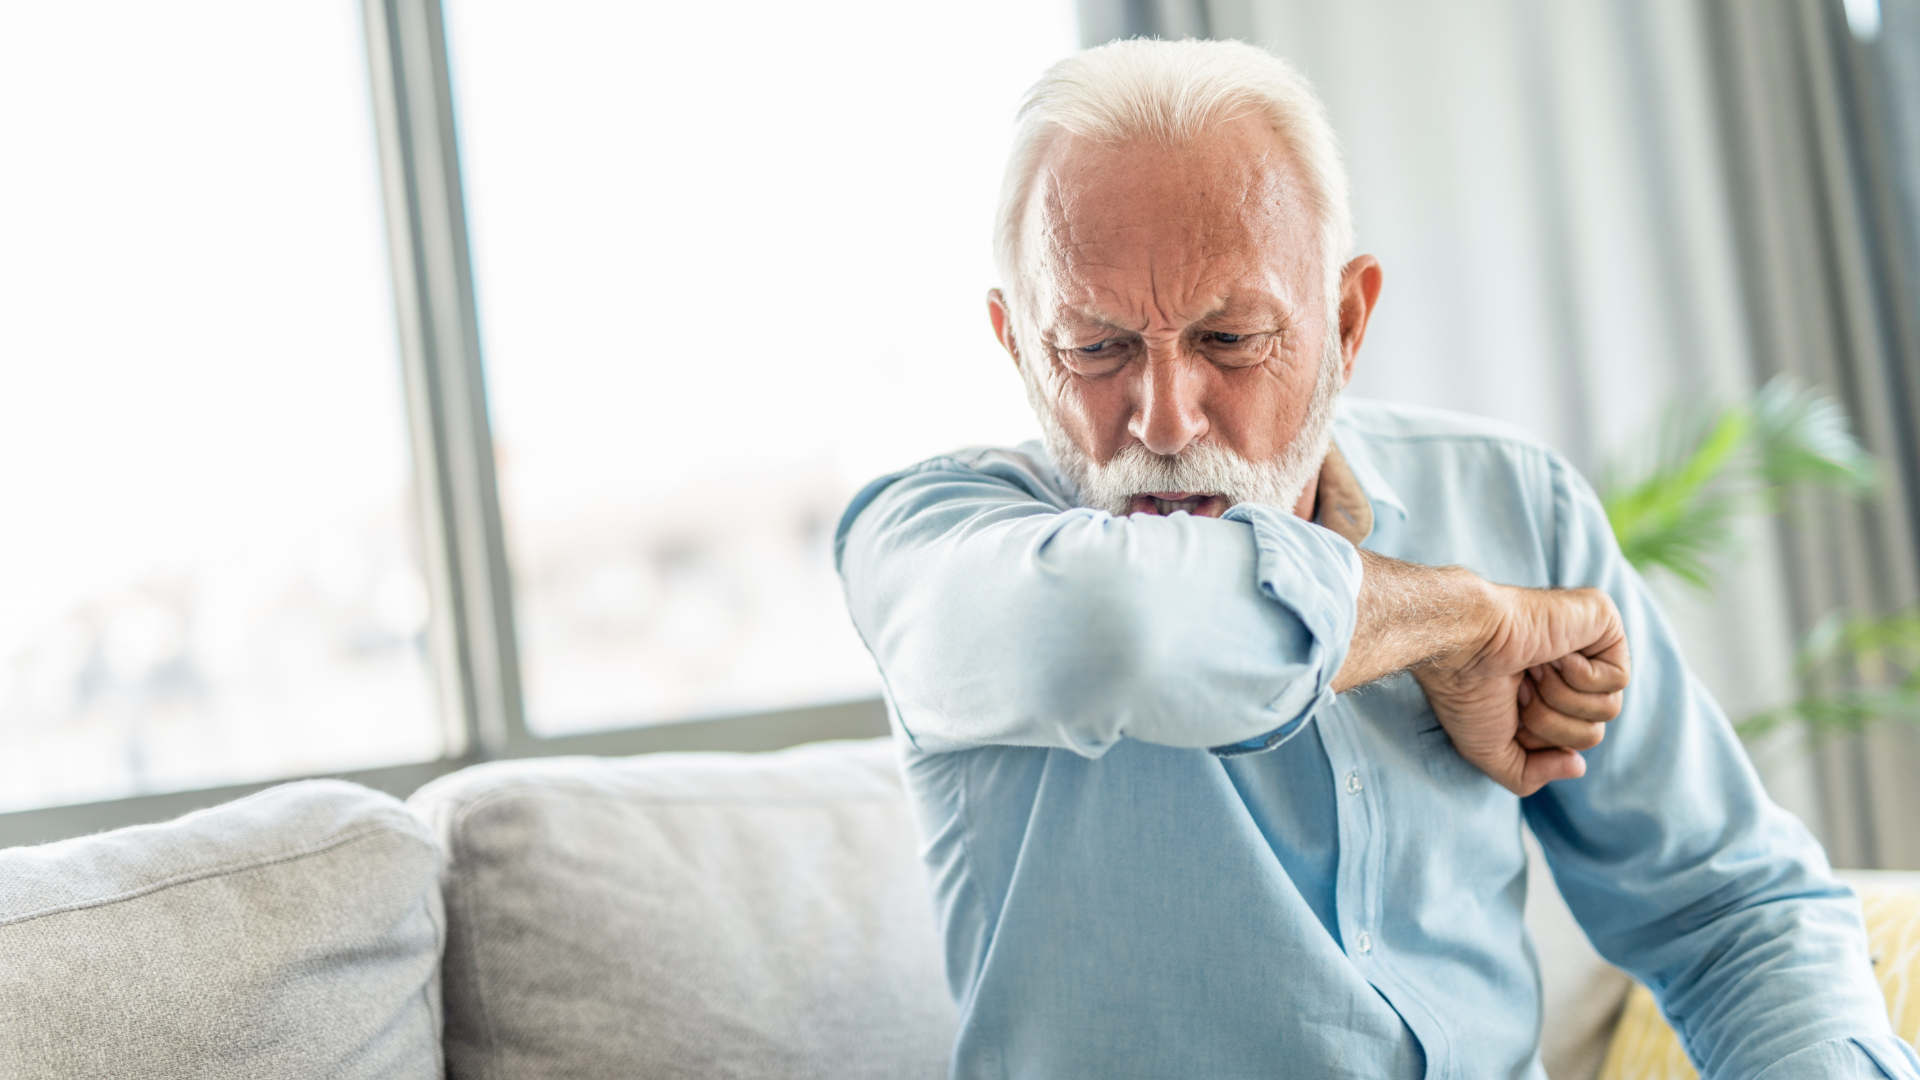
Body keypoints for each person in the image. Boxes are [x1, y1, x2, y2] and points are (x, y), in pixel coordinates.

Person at [835, 37, 1918, 1080]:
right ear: (1017, 345)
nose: (1163, 420)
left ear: (1348, 324)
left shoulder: (1511, 500)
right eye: (1096, 346)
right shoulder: (930, 544)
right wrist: (1461, 622)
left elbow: (1729, 913)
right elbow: (1115, 633)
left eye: (1229, 339)